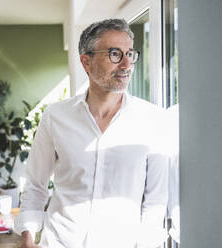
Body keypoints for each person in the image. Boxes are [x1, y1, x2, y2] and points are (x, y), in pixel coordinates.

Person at [14, 19, 168, 248]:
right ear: (86, 61)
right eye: (115, 54)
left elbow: (156, 202)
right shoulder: (55, 117)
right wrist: (27, 236)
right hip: (59, 242)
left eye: (130, 54)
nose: (127, 64)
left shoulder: (153, 119)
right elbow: (36, 186)